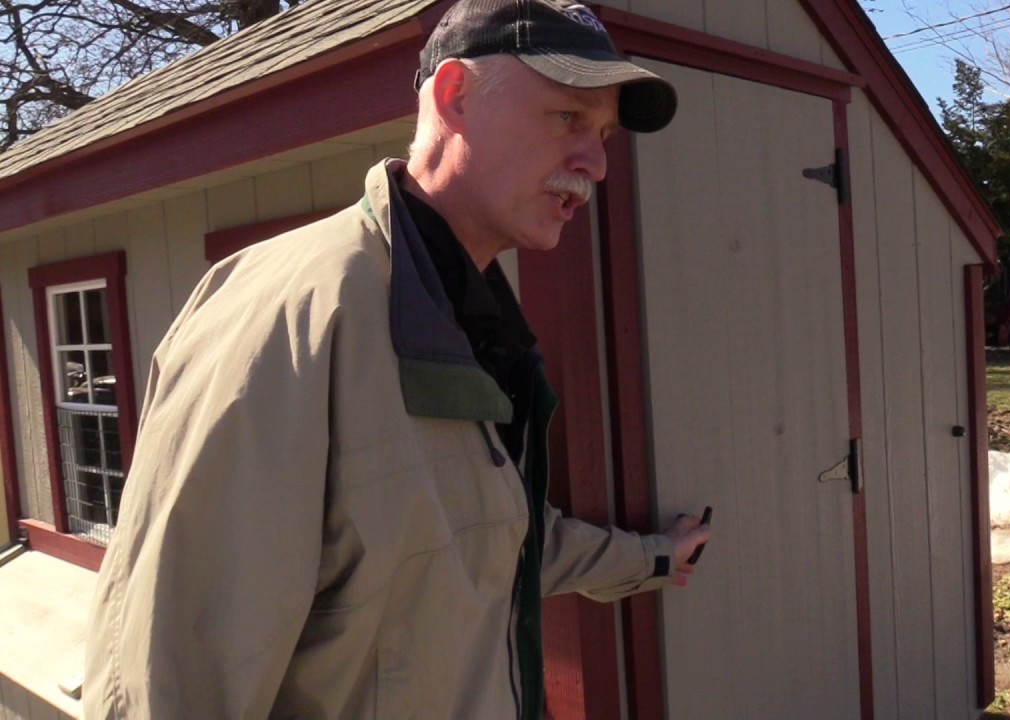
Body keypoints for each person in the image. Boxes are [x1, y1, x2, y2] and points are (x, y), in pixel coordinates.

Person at [82, 0, 711, 717]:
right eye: (568, 117)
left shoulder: (465, 315)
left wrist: (655, 557)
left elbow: (489, 542)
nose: (595, 161)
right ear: (454, 96)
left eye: (602, 135)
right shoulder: (293, 313)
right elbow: (172, 669)